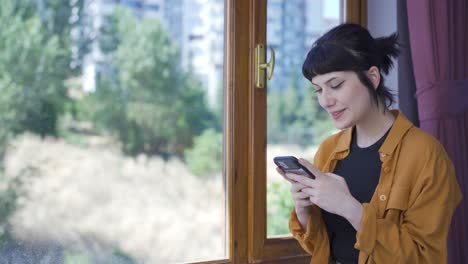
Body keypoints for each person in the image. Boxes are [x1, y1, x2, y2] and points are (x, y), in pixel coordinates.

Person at [275, 23, 462, 264]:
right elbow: (323, 247)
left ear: (372, 77)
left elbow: (422, 257)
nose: (325, 101)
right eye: (318, 90)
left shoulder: (427, 155)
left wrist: (351, 209)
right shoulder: (328, 151)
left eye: (335, 85)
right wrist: (304, 211)